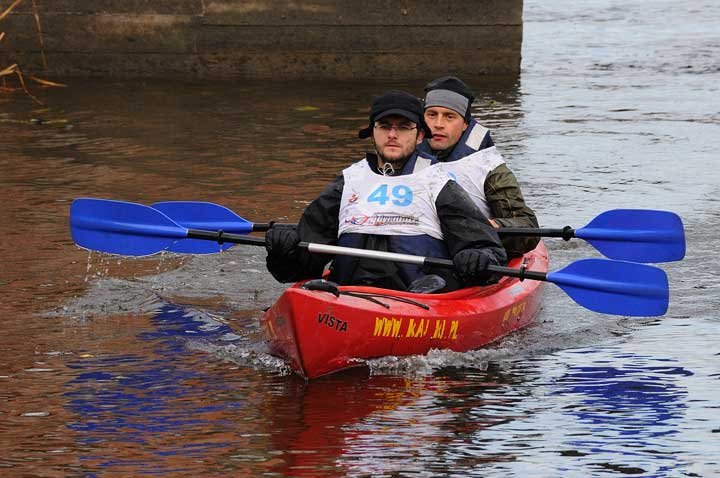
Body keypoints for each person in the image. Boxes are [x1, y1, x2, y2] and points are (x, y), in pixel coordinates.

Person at [264, 90, 507, 292]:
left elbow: (488, 248)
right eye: (384, 126)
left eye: (403, 127)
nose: (392, 135)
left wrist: (478, 257)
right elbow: (297, 269)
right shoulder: (349, 181)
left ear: (420, 134)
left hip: (420, 298)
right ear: (373, 132)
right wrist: (283, 249)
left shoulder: (438, 182)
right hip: (348, 294)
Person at [418, 76, 540, 257]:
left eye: (449, 116)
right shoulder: (403, 155)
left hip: (472, 254)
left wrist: (486, 227)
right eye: (431, 115)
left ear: (465, 124)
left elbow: (528, 228)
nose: (438, 124)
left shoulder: (489, 168)